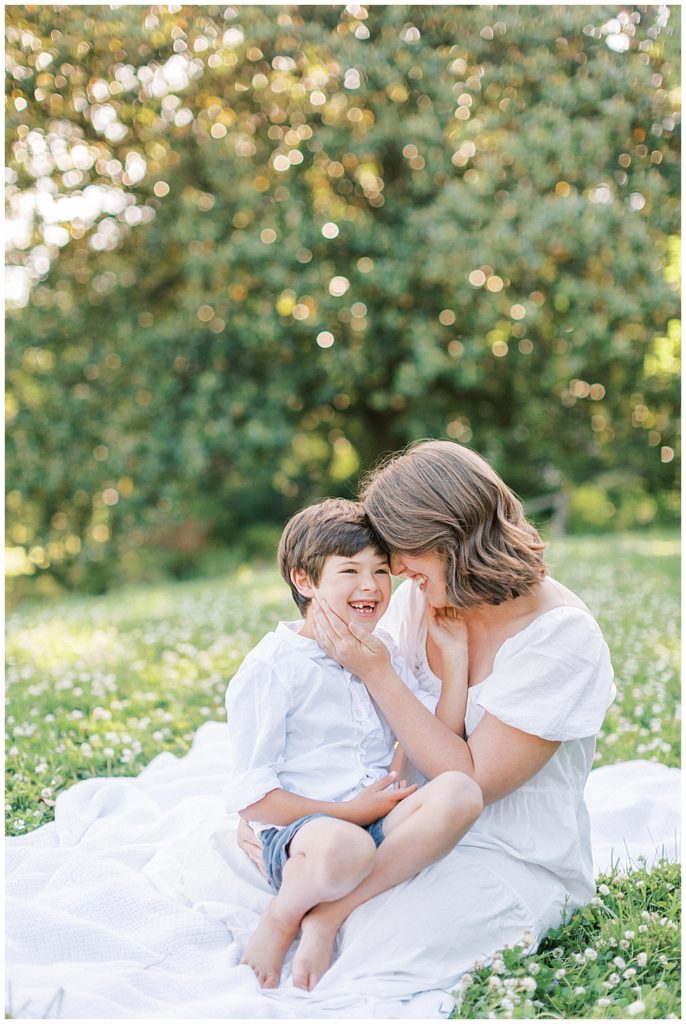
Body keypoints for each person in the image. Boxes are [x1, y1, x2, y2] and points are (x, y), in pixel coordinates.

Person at [237, 440, 616, 993]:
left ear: (449, 538)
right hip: (404, 824)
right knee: (303, 882)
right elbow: (358, 723)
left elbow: (468, 782)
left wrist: (380, 675)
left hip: (507, 851)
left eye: (404, 555)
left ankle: (329, 911)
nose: (395, 571)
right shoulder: (426, 594)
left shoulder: (562, 637)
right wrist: (293, 818)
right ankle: (323, 899)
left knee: (378, 949)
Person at [223, 497, 483, 992]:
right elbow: (254, 798)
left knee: (460, 792)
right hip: (310, 831)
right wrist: (350, 813)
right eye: (350, 571)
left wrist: (455, 658)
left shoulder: (379, 652)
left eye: (382, 571)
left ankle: (326, 917)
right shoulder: (274, 666)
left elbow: (434, 737)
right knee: (346, 847)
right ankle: (283, 918)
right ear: (304, 580)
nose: (371, 586)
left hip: (377, 817)